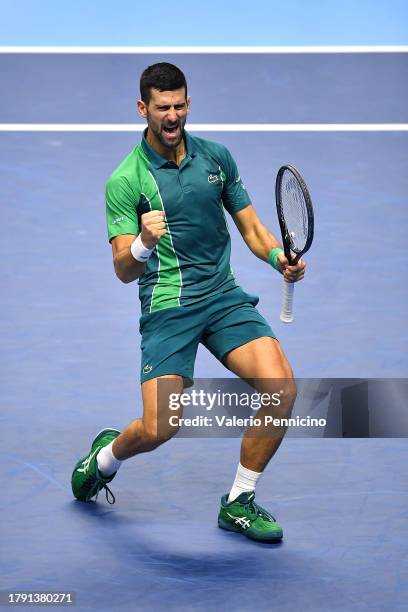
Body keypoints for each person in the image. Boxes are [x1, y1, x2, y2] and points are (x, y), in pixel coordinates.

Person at [71, 62, 305, 543]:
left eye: (179, 105)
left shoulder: (217, 158)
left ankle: (239, 501)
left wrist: (279, 257)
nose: (172, 116)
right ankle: (104, 459)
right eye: (162, 108)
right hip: (168, 308)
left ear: (188, 104)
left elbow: (253, 229)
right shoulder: (126, 181)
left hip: (221, 298)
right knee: (160, 428)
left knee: (281, 388)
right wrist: (142, 243)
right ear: (143, 109)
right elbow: (122, 269)